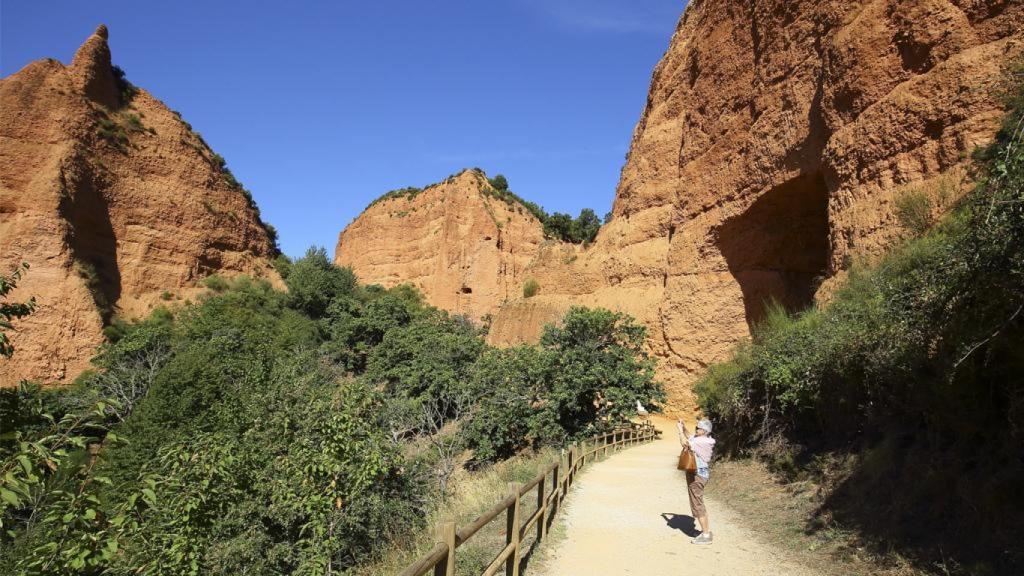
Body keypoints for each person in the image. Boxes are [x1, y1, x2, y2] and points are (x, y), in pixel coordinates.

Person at [677, 418, 715, 544]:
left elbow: (685, 443)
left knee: (697, 503)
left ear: (704, 431)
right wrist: (683, 427)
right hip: (697, 474)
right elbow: (690, 436)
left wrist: (679, 431)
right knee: (697, 502)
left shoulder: (702, 442)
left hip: (697, 475)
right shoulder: (701, 439)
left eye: (698, 428)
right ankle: (705, 532)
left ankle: (706, 535)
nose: (696, 429)